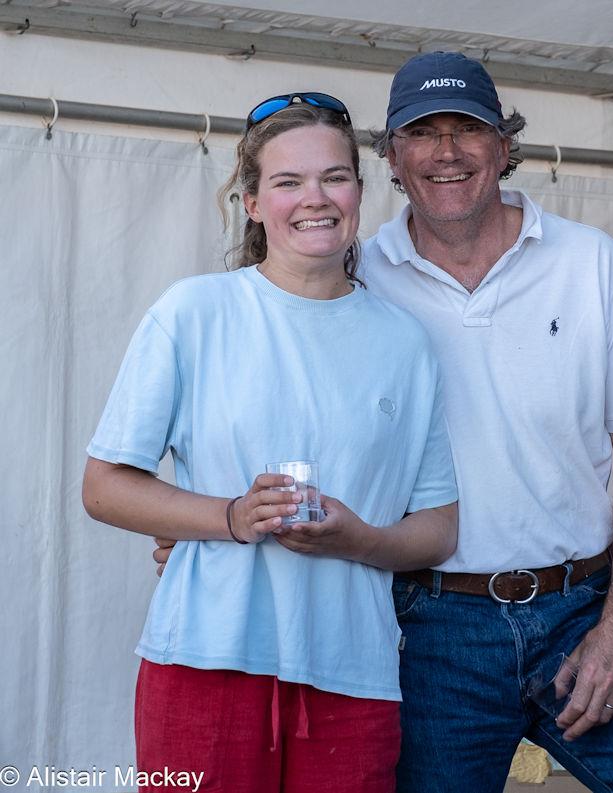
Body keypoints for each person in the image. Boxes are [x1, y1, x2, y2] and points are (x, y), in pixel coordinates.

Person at [155, 57, 613, 793]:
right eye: (421, 133)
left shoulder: (591, 263)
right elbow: (300, 416)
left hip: (582, 611)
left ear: (504, 144)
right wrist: (214, 517)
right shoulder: (358, 276)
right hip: (429, 625)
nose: (447, 151)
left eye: (468, 128)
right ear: (391, 159)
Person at [83, 92, 458, 793]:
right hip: (204, 661)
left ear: (358, 190)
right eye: (287, 181)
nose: (314, 198)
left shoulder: (406, 343)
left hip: (354, 675)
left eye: (334, 177)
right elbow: (105, 485)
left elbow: (438, 528)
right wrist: (229, 517)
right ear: (252, 202)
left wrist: (360, 539)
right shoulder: (194, 313)